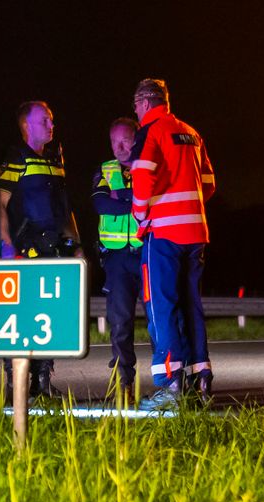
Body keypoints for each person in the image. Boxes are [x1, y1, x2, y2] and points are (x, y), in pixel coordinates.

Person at [129, 78, 216, 407]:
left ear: (147, 103)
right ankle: (200, 382)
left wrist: (140, 216)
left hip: (163, 233)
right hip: (195, 232)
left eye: (136, 106)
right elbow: (208, 182)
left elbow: (142, 176)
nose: (136, 113)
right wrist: (188, 206)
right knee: (191, 306)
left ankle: (170, 385)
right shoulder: (191, 132)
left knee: (161, 307)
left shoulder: (150, 130)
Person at [0, 100, 83, 399]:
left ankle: (43, 383)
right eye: (44, 120)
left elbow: (66, 207)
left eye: (51, 119)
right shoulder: (15, 158)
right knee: (22, 317)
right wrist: (6, 246)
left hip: (55, 249)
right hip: (26, 249)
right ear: (26, 125)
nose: (51, 125)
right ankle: (15, 385)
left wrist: (77, 245)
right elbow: (1, 204)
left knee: (50, 316)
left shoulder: (55, 159)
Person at [91, 117, 143, 396]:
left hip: (146, 253)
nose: (119, 147)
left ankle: (168, 381)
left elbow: (152, 202)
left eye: (124, 140)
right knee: (120, 322)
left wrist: (119, 197)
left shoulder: (148, 167)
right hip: (116, 259)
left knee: (159, 322)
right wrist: (132, 199)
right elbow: (100, 204)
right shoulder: (105, 169)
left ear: (136, 138)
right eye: (114, 141)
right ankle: (124, 382)